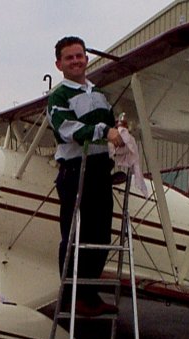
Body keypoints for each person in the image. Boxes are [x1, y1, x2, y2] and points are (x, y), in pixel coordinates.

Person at [47, 36, 123, 317]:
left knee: (101, 233)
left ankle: (88, 295)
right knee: (73, 235)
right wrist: (105, 131)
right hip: (75, 171)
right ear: (59, 64)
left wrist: (120, 131)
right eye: (69, 58)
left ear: (86, 59)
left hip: (101, 169)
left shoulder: (99, 93)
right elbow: (67, 130)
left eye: (79, 56)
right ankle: (69, 297)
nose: (76, 61)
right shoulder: (58, 96)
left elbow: (111, 125)